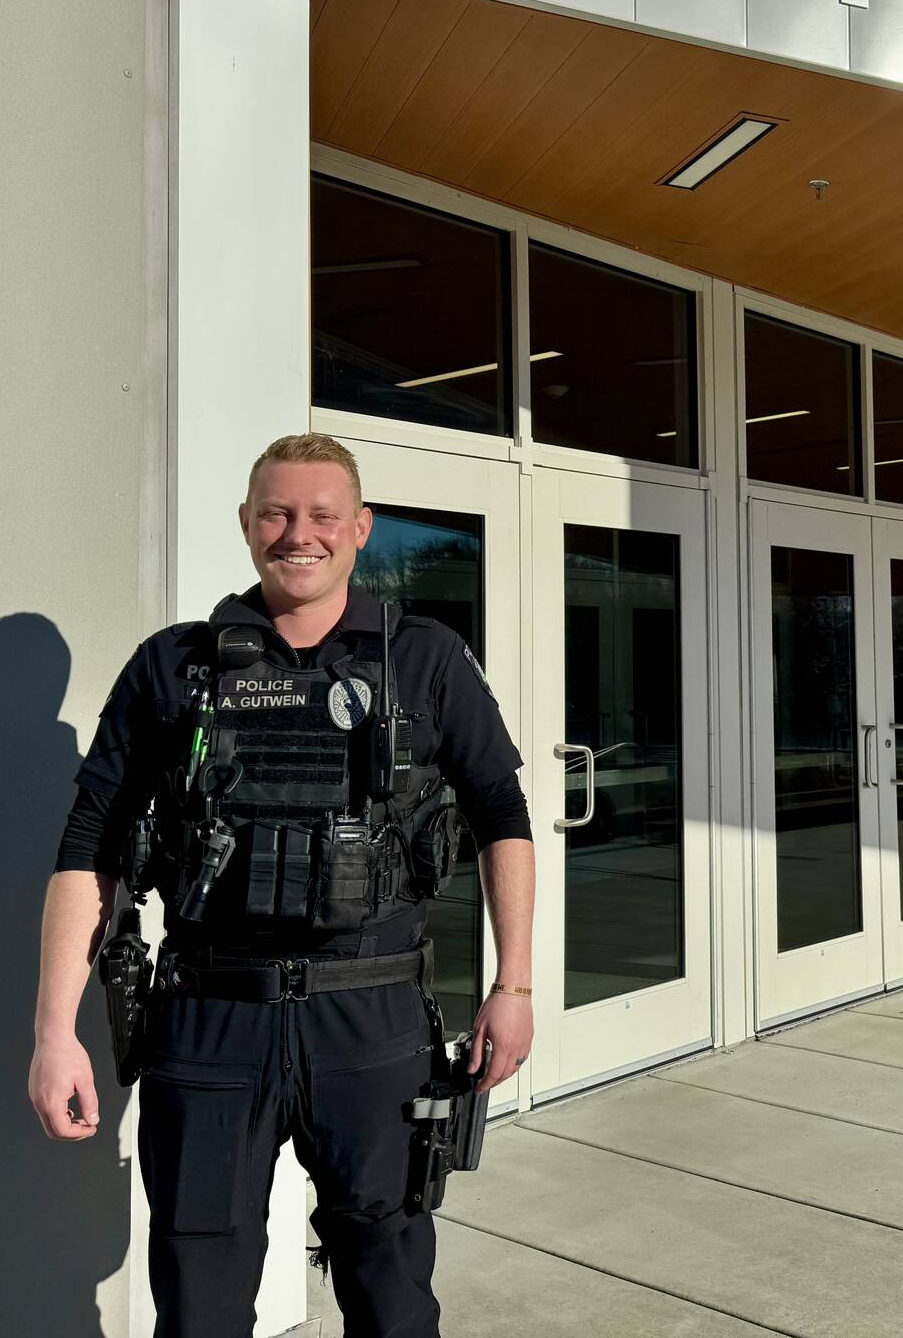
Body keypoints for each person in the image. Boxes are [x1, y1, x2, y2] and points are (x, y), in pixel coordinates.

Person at [27, 432, 534, 1338]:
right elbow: (90, 845)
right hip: (210, 1021)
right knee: (200, 1295)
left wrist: (515, 986)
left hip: (371, 1018)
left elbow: (503, 814)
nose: (298, 533)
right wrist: (54, 1030)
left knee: (390, 1289)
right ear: (247, 523)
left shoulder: (426, 660)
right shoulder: (172, 668)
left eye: (321, 515)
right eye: (276, 513)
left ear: (361, 528)